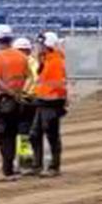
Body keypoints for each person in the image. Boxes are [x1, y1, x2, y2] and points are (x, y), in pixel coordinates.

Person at [0, 24, 29, 182]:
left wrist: (9, 92)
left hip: (4, 100)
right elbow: (26, 76)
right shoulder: (22, 57)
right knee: (18, 133)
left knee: (4, 136)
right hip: (20, 100)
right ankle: (24, 165)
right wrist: (18, 92)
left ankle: (7, 171)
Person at [31, 30, 69, 176]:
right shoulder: (46, 60)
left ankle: (54, 166)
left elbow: (58, 84)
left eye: (40, 44)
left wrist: (59, 102)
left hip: (51, 102)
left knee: (51, 134)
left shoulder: (55, 61)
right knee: (35, 134)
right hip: (42, 101)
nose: (37, 47)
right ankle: (37, 164)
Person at [13, 36, 39, 173]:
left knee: (21, 132)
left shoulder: (16, 63)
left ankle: (24, 162)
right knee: (27, 132)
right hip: (31, 100)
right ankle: (29, 161)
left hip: (21, 100)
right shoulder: (33, 62)